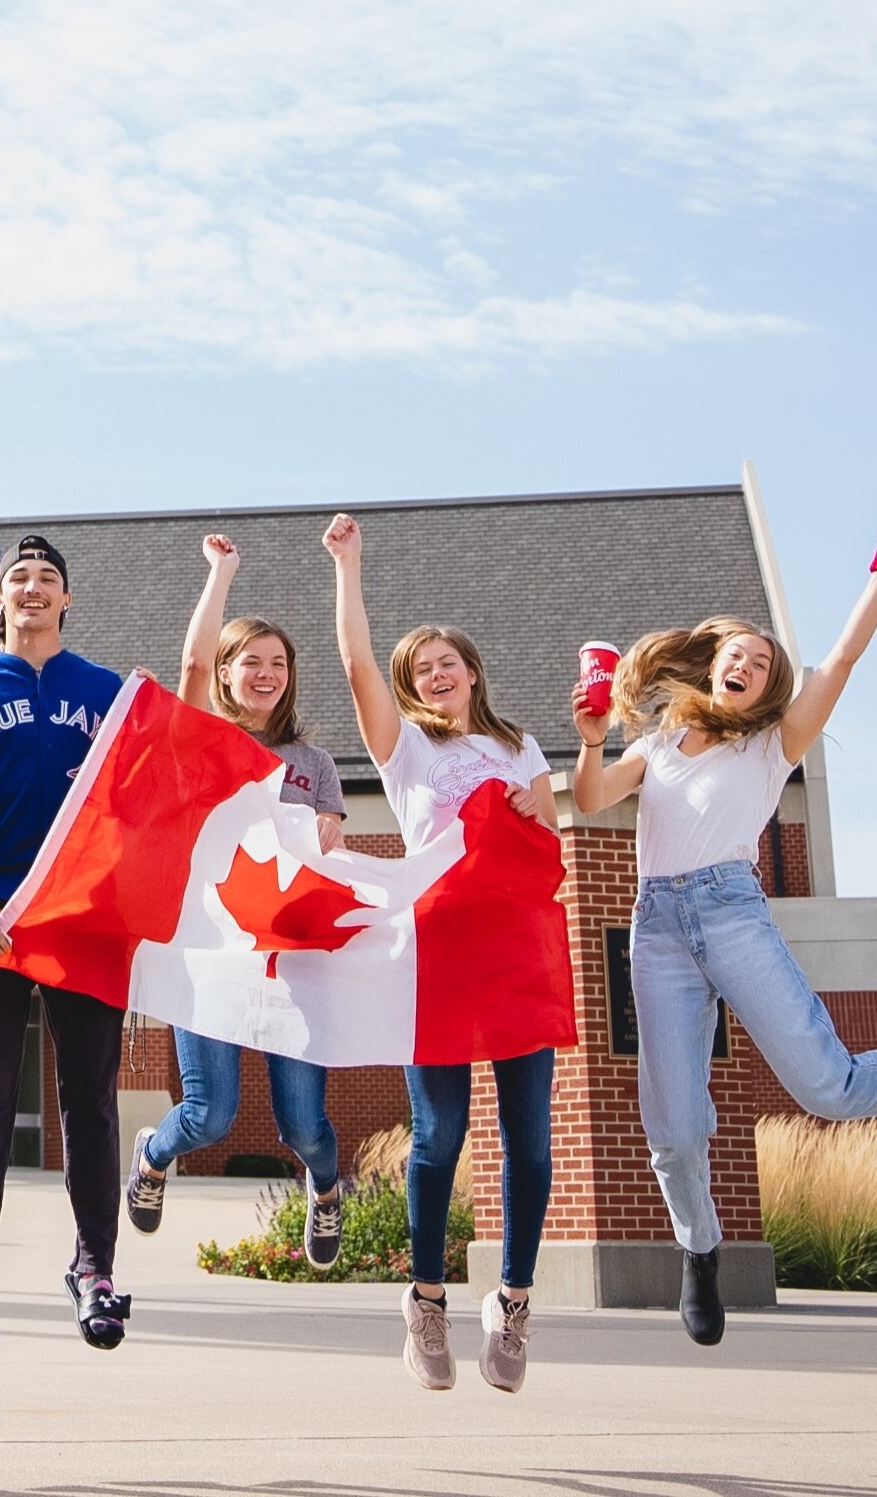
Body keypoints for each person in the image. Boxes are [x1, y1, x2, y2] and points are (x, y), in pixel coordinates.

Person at [568, 499, 877, 1345]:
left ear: (768, 686)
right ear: (710, 663)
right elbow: (584, 802)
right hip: (658, 931)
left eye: (762, 663)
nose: (748, 665)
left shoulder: (773, 744)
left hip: (730, 912)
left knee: (828, 1087)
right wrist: (588, 739)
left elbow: (844, 655)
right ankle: (701, 1252)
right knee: (674, 1129)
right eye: (737, 654)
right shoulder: (652, 747)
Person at [326, 511, 556, 1394]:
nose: (435, 673)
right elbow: (354, 664)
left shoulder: (520, 745)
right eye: (420, 668)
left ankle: (515, 1300)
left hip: (517, 955)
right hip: (438, 956)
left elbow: (541, 839)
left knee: (530, 1147)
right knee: (441, 1136)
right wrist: (350, 567)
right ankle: (427, 1300)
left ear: (472, 671)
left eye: (446, 662)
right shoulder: (405, 749)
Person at [125, 534, 351, 1269]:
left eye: (278, 663)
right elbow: (187, 665)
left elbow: (333, 853)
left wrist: (327, 838)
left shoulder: (313, 764)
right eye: (250, 661)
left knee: (304, 1126)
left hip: (289, 960)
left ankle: (324, 1189)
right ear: (225, 674)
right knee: (208, 1115)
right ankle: (153, 1158)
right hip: (213, 955)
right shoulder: (205, 740)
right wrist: (220, 573)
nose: (266, 673)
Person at [0, 534, 125, 1357]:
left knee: (89, 1101)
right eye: (19, 579)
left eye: (48, 578)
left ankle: (96, 1272)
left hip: (83, 920)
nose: (33, 588)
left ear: (66, 599)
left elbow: (135, 809)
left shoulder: (107, 693)